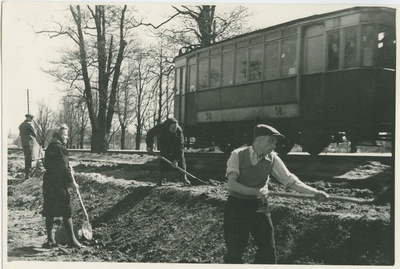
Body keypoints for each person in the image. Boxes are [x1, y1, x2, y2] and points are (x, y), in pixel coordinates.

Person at [223, 124, 329, 264]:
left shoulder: (272, 158)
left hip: (258, 206)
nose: (274, 146)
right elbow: (232, 184)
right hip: (237, 206)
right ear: (259, 140)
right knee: (235, 251)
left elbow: (290, 181)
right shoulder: (237, 154)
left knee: (268, 249)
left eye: (275, 142)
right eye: (270, 141)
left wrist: (315, 192)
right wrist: (255, 191)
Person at [42, 124, 81, 249]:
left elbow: (46, 164)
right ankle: (73, 241)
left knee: (49, 211)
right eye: (65, 134)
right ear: (59, 135)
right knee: (66, 211)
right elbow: (64, 169)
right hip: (58, 185)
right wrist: (72, 182)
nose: (67, 137)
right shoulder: (60, 148)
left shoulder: (49, 148)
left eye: (67, 134)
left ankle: (50, 240)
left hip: (48, 183)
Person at [146, 118, 191, 187]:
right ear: (168, 126)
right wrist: (149, 146)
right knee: (163, 159)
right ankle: (160, 180)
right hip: (164, 143)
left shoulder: (179, 131)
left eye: (175, 127)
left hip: (175, 145)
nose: (174, 130)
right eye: (173, 128)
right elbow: (150, 134)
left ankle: (184, 178)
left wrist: (176, 160)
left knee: (181, 158)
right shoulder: (160, 127)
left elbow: (180, 147)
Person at [19, 113, 44, 179]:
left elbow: (20, 134)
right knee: (41, 152)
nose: (32, 120)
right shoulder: (30, 124)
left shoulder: (21, 125)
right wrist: (36, 130)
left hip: (24, 144)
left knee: (27, 158)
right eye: (31, 118)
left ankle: (27, 174)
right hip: (31, 143)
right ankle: (45, 167)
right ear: (29, 118)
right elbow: (35, 134)